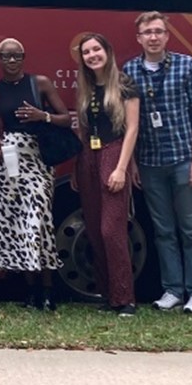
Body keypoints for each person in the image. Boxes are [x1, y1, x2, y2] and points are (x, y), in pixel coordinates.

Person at [123, 11, 192, 314]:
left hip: (183, 159)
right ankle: (173, 290)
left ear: (167, 35)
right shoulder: (130, 70)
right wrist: (132, 162)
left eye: (159, 31)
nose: (153, 37)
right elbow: (127, 123)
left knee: (191, 229)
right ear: (139, 38)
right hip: (149, 162)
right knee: (163, 230)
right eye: (147, 32)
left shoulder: (186, 65)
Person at [0, 38, 67, 310]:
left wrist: (43, 116)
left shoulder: (39, 83)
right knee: (17, 224)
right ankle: (29, 292)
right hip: (11, 163)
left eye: (16, 56)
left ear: (24, 56)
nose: (11, 61)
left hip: (39, 160)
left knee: (38, 222)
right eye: (5, 57)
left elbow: (65, 117)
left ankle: (48, 290)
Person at [72, 32, 141, 316]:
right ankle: (108, 294)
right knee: (93, 229)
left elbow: (133, 128)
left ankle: (126, 299)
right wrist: (79, 165)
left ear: (107, 51)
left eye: (96, 49)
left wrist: (122, 168)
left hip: (114, 154)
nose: (92, 56)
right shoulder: (85, 87)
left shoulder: (125, 85)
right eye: (87, 52)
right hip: (89, 156)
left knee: (111, 230)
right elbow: (84, 130)